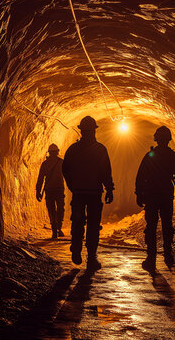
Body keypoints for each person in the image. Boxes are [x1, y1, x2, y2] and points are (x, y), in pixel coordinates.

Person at [62, 116, 114, 271]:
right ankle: (91, 258)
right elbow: (106, 172)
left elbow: (65, 169)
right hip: (94, 193)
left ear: (81, 130)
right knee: (92, 225)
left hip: (79, 192)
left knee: (77, 221)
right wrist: (109, 189)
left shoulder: (72, 149)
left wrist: (72, 185)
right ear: (93, 130)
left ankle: (76, 250)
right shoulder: (100, 149)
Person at [135, 126, 175, 271]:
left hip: (152, 196)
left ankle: (151, 258)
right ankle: (167, 255)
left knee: (151, 226)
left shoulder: (150, 155)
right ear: (169, 139)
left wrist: (139, 194)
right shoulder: (173, 156)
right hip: (165, 196)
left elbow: (141, 177)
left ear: (156, 139)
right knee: (166, 225)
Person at [36, 144, 66, 239]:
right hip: (59, 189)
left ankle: (55, 230)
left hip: (49, 190)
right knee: (60, 209)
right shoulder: (61, 162)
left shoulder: (45, 164)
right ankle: (58, 229)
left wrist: (38, 191)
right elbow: (68, 176)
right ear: (57, 151)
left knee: (51, 210)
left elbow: (40, 178)